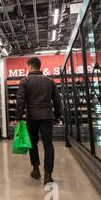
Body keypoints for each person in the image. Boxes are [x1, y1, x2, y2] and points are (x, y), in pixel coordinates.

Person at [16, 57, 62, 185]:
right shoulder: (50, 81)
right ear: (39, 66)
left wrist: (18, 117)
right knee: (48, 144)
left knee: (33, 143)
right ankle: (48, 175)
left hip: (32, 117)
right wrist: (58, 116)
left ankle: (36, 170)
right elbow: (57, 101)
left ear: (30, 66)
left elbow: (20, 101)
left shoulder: (24, 81)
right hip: (47, 116)